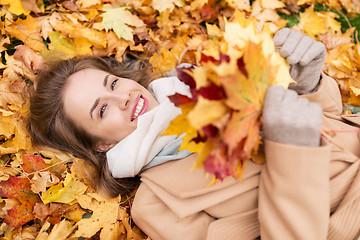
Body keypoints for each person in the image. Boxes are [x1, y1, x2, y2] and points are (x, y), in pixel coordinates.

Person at [28, 28, 360, 239]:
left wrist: (308, 85)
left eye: (113, 83)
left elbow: (335, 129)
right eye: (102, 109)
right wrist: (291, 153)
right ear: (101, 144)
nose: (123, 97)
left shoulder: (211, 83)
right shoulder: (157, 205)